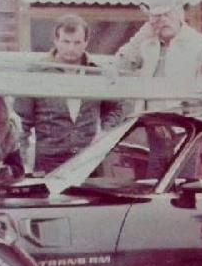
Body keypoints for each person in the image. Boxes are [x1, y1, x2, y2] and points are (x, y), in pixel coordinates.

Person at [14, 14, 124, 174]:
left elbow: (116, 107)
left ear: (86, 42)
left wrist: (105, 135)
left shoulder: (98, 73)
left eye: (77, 42)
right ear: (56, 40)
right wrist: (22, 163)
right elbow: (21, 121)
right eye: (66, 41)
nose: (71, 48)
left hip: (88, 161)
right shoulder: (37, 72)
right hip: (49, 162)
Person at [116, 0, 202, 86]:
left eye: (167, 14)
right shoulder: (146, 42)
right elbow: (119, 68)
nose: (162, 19)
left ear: (180, 13)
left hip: (181, 101)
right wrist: (139, 39)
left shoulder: (198, 43)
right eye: (157, 15)